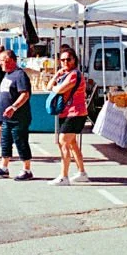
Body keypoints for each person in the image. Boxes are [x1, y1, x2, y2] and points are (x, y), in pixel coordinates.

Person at [0, 50, 34, 180]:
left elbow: (25, 94)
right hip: (6, 118)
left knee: (21, 142)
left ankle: (27, 169)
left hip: (19, 118)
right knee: (5, 142)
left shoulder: (19, 75)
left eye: (2, 60)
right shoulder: (7, 75)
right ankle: (4, 167)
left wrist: (14, 107)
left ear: (10, 60)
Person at [48, 48, 89, 186]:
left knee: (63, 142)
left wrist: (55, 87)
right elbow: (49, 86)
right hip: (66, 112)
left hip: (75, 112)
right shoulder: (64, 74)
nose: (65, 62)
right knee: (72, 144)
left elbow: (59, 89)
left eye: (68, 59)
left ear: (74, 60)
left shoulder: (74, 75)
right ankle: (82, 172)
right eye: (63, 60)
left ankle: (64, 176)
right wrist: (56, 75)